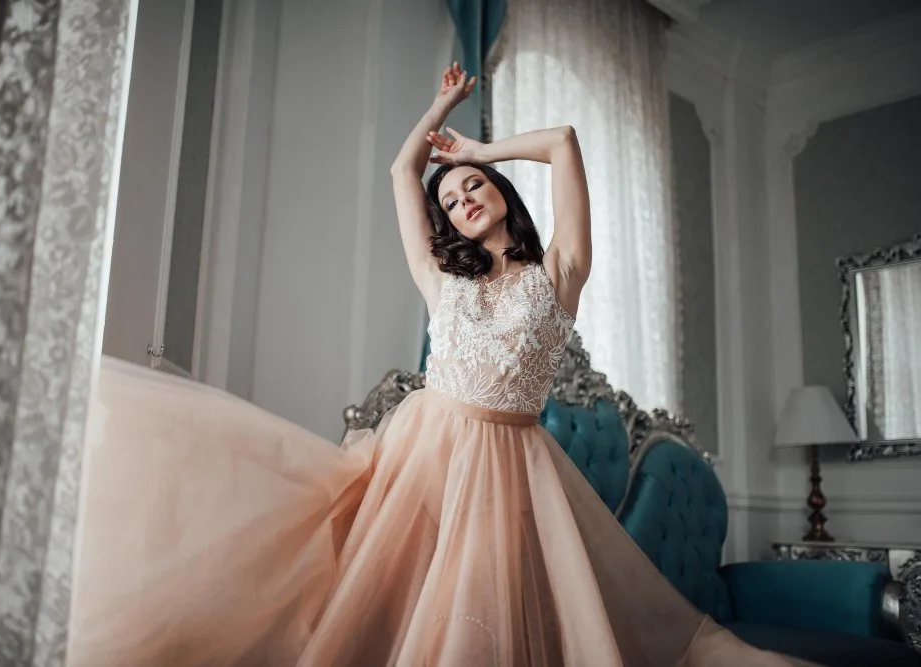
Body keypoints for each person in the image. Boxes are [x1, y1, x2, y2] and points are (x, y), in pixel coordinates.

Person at [67, 63, 815, 666]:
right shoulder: (441, 277)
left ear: (497, 191)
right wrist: (437, 110)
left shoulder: (558, 273)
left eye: (473, 189)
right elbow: (402, 171)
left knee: (479, 619)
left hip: (509, 464)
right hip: (420, 458)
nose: (462, 201)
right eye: (452, 201)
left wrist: (480, 148)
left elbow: (562, 139)